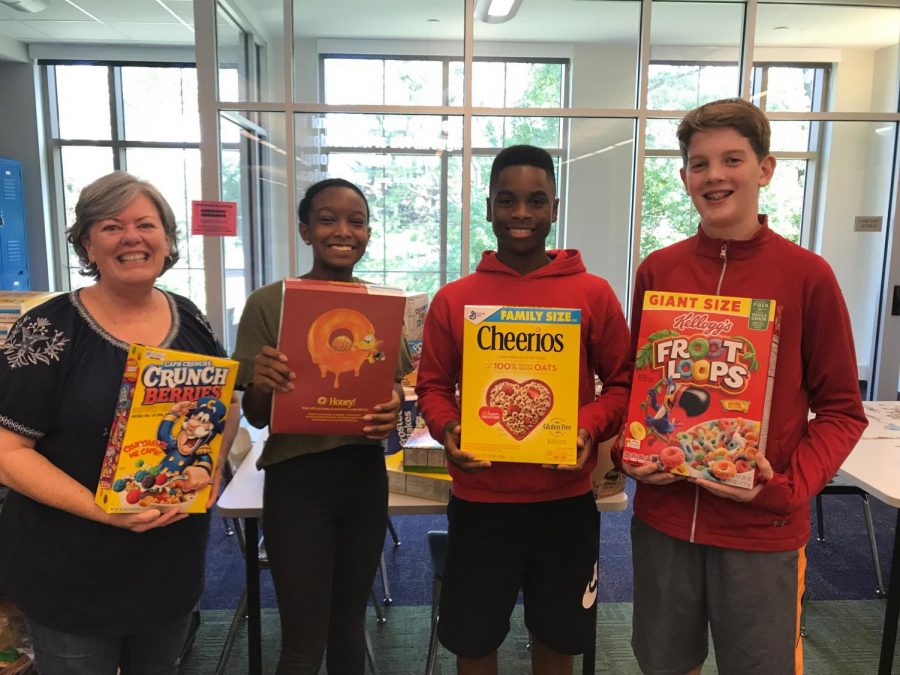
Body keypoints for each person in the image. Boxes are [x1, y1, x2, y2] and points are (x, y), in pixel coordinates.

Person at [617, 98, 868, 674]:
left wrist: (784, 487)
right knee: (662, 662)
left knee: (759, 666)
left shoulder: (807, 276)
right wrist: (631, 453)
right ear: (683, 178)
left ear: (766, 168)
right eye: (700, 164)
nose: (715, 176)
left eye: (732, 159)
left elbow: (840, 411)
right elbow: (642, 384)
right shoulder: (659, 270)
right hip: (666, 520)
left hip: (762, 529)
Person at [0, 171, 238, 674]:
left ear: (168, 240)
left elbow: (222, 407)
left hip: (167, 562)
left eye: (146, 224)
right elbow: (7, 452)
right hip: (72, 568)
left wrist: (210, 470)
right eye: (111, 226)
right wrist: (104, 511)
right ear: (88, 243)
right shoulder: (47, 329)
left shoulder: (190, 317)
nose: (132, 237)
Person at [415, 145, 632, 675]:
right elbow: (434, 388)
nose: (521, 214)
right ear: (488, 207)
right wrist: (448, 430)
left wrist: (585, 428)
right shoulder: (455, 299)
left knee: (559, 635)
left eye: (536, 201)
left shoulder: (593, 294)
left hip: (564, 501)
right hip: (480, 500)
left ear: (555, 208)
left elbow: (624, 384)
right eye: (507, 200)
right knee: (473, 638)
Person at [232, 177, 411, 674]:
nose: (342, 231)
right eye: (327, 218)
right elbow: (257, 416)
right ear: (305, 230)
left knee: (348, 627)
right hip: (297, 482)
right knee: (303, 639)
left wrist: (393, 402)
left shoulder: (382, 307)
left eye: (356, 221)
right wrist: (263, 382)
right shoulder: (270, 304)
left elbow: (394, 391)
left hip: (363, 478)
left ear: (369, 233)